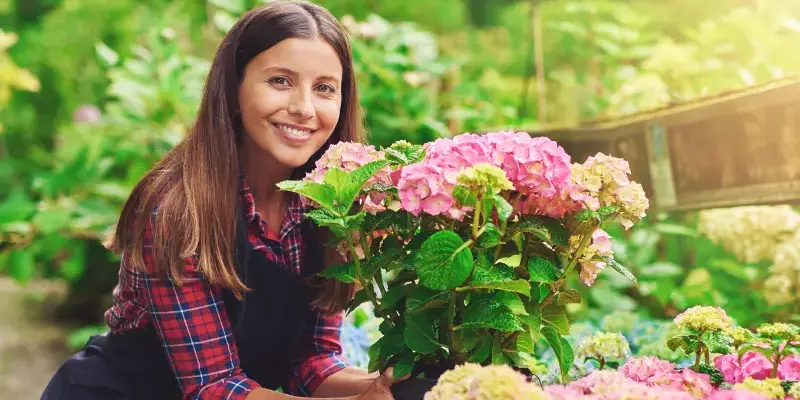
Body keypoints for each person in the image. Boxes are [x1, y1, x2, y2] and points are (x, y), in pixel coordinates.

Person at [41, 1, 400, 399]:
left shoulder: (326, 208)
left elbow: (311, 361)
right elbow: (213, 386)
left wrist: (385, 387)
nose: (303, 108)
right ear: (232, 90)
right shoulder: (177, 211)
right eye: (280, 81)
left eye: (324, 88)